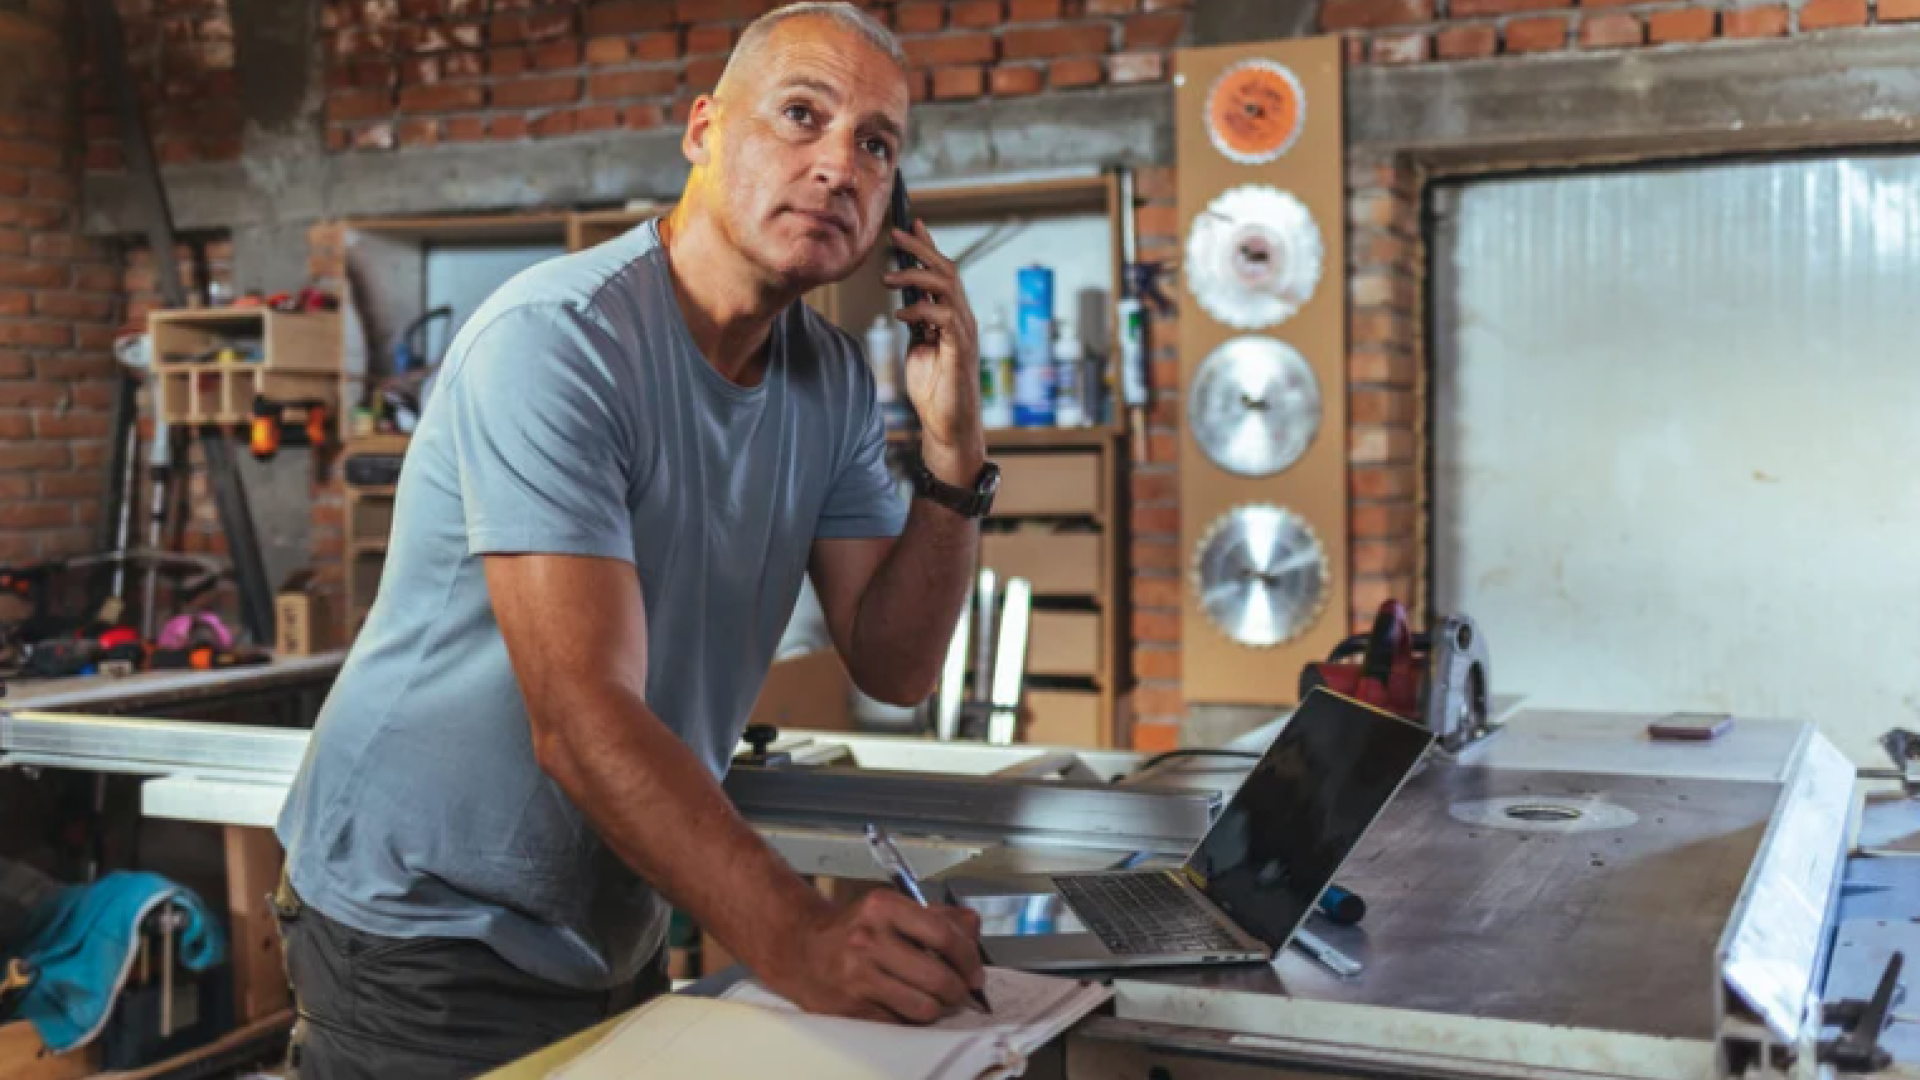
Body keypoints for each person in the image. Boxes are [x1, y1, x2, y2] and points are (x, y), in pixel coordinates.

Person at [270, 4, 1000, 1076]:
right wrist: (800, 936)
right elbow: (579, 718)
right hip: (421, 925)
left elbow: (894, 665)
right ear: (704, 130)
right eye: (802, 116)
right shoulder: (557, 344)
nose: (840, 165)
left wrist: (952, 449)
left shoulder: (835, 381)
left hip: (611, 917)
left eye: (877, 144)